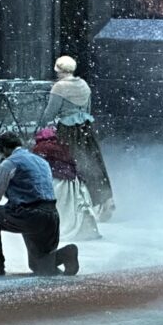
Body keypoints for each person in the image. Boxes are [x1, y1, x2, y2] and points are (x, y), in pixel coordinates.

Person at [0, 131, 80, 277]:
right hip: (51, 215)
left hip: (29, 214)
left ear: (4, 148)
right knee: (39, 265)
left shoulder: (9, 163)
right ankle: (66, 254)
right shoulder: (41, 162)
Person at [40, 55, 115, 220]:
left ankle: (75, 204)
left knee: (70, 165)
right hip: (85, 128)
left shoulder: (59, 87)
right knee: (93, 163)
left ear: (59, 70)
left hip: (67, 130)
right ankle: (104, 198)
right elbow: (88, 109)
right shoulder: (83, 85)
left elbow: (50, 112)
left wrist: (43, 124)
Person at [32, 127, 101, 241]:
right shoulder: (62, 147)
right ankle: (83, 230)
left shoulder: (39, 148)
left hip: (56, 181)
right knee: (73, 208)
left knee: (58, 208)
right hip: (71, 180)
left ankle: (54, 230)